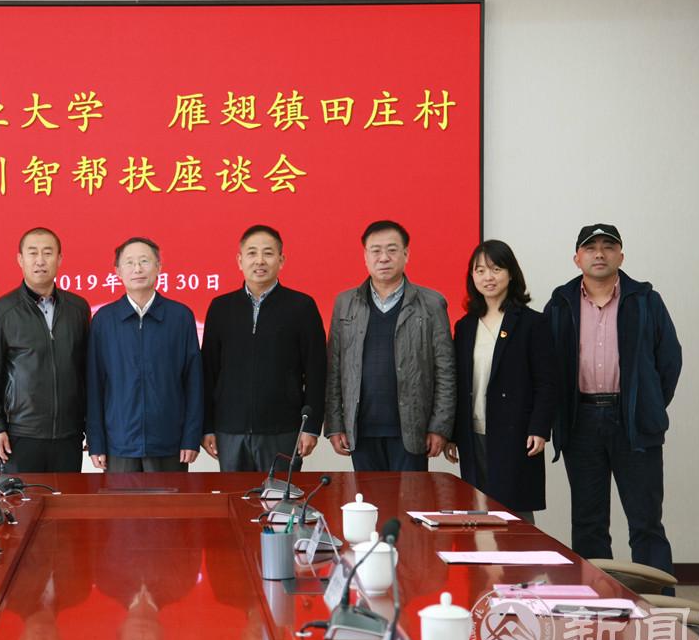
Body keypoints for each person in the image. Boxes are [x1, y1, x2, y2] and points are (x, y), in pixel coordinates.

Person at [544, 224, 681, 576]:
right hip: (581, 422)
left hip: (633, 422)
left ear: (621, 256)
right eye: (591, 248)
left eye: (608, 246)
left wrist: (646, 404)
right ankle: (597, 602)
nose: (600, 254)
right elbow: (546, 368)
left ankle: (655, 604)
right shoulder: (560, 303)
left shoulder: (646, 300)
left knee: (646, 522)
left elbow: (669, 360)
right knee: (588, 523)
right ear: (577, 259)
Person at [324, 220, 456, 471]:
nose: (384, 257)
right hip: (361, 429)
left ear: (406, 254)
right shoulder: (345, 303)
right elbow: (334, 368)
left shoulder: (432, 303)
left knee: (411, 497)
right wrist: (334, 424)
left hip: (413, 429)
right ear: (365, 256)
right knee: (366, 497)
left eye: (392, 250)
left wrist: (439, 426)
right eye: (376, 250)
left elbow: (445, 370)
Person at [200, 224, 326, 472]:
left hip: (283, 430)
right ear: (240, 260)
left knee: (278, 496)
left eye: (268, 253)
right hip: (229, 430)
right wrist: (207, 426)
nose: (260, 261)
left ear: (281, 260)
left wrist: (311, 427)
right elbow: (208, 372)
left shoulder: (301, 307)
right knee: (235, 495)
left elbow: (316, 370)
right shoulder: (221, 308)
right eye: (252, 253)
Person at [446, 240, 555, 523]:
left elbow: (546, 382)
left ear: (511, 274)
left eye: (496, 269)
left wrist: (540, 428)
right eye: (480, 270)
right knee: (477, 510)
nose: (488, 277)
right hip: (473, 433)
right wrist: (453, 434)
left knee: (514, 512)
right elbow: (459, 384)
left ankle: (518, 555)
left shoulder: (532, 323)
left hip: (516, 432)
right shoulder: (465, 326)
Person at [86, 237, 203, 472]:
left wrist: (191, 437)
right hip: (119, 444)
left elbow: (194, 381)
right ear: (118, 271)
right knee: (121, 499)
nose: (137, 269)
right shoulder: (104, 320)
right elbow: (94, 385)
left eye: (144, 261)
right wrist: (96, 441)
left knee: (170, 498)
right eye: (129, 262)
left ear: (158, 267)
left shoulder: (180, 317)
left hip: (169, 442)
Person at [0, 227, 91, 473]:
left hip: (69, 435)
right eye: (33, 253)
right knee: (20, 499)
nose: (40, 260)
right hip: (19, 435)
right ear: (20, 259)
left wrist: (91, 428)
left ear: (59, 259)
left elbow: (86, 373)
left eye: (48, 253)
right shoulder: (1, 312)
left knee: (67, 498)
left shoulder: (78, 309)